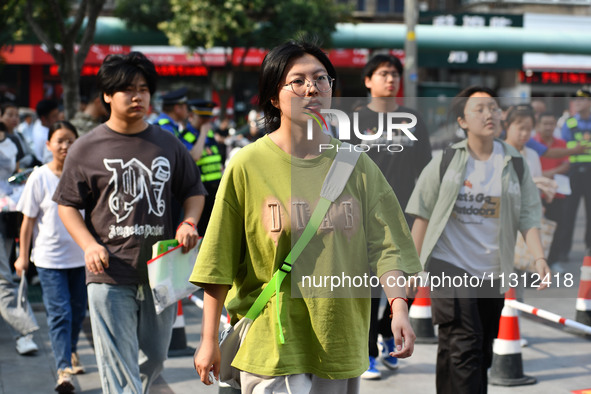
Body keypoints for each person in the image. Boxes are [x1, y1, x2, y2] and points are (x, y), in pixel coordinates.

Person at [191, 38, 421, 394]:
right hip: (272, 341)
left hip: (340, 338)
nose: (312, 88)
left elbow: (387, 245)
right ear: (273, 95)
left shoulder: (357, 166)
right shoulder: (248, 165)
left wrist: (399, 306)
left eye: (322, 78)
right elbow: (218, 259)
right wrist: (208, 338)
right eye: (297, 81)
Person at [53, 51, 207, 394]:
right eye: (127, 89)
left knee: (155, 358)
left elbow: (193, 191)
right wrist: (89, 245)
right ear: (107, 95)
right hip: (108, 273)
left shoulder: (168, 144)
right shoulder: (85, 148)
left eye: (143, 88)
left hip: (160, 273)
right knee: (118, 366)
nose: (138, 96)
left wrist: (189, 223)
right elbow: (67, 205)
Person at [406, 86, 551, 394]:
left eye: (494, 108)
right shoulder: (445, 160)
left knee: (475, 349)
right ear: (462, 121)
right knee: (465, 344)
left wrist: (539, 258)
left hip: (492, 269)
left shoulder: (516, 163)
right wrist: (410, 269)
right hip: (450, 264)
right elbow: (422, 215)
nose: (490, 115)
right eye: (480, 109)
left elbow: (528, 215)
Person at [348, 54, 432, 379]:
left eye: (395, 74)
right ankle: (368, 352)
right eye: (383, 73)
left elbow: (426, 171)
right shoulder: (353, 121)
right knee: (369, 287)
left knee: (410, 282)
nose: (391, 79)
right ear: (368, 80)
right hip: (364, 216)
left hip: (406, 214)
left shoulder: (412, 119)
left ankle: (387, 331)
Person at [15, 120, 86, 394]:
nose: (65, 146)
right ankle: (63, 370)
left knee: (78, 313)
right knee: (60, 314)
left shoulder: (82, 174)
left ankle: (70, 351)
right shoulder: (39, 177)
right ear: (48, 145)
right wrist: (22, 257)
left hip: (81, 259)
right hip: (49, 261)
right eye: (60, 141)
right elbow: (28, 222)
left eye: (71, 140)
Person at [0, 120, 39, 356]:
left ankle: (24, 332)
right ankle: (23, 332)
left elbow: (14, 173)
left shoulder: (12, 140)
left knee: (4, 279)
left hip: (6, 216)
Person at [534, 112, 570, 270]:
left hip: (557, 192)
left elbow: (566, 164)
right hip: (536, 193)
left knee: (557, 227)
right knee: (536, 229)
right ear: (538, 125)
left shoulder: (561, 143)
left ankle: (554, 260)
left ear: (555, 126)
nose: (548, 127)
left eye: (551, 124)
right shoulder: (533, 142)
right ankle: (537, 261)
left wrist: (548, 174)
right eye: (545, 123)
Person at [560, 88, 591, 259]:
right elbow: (564, 147)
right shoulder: (569, 123)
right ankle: (564, 251)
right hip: (573, 172)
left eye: (582, 100)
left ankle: (589, 249)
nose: (578, 103)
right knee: (568, 213)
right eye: (576, 101)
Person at [187, 99, 223, 234]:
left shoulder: (211, 136)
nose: (206, 121)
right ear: (191, 116)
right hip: (199, 192)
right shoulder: (187, 135)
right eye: (202, 117)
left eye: (208, 117)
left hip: (215, 190)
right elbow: (194, 156)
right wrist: (202, 134)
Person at [1, 103, 38, 168]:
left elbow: (30, 152)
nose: (14, 119)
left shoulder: (19, 135)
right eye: (10, 115)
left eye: (17, 115)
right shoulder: (2, 138)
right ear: (1, 116)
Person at [32, 99, 60, 164]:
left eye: (57, 114)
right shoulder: (45, 137)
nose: (58, 118)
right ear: (43, 118)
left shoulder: (38, 123)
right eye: (54, 116)